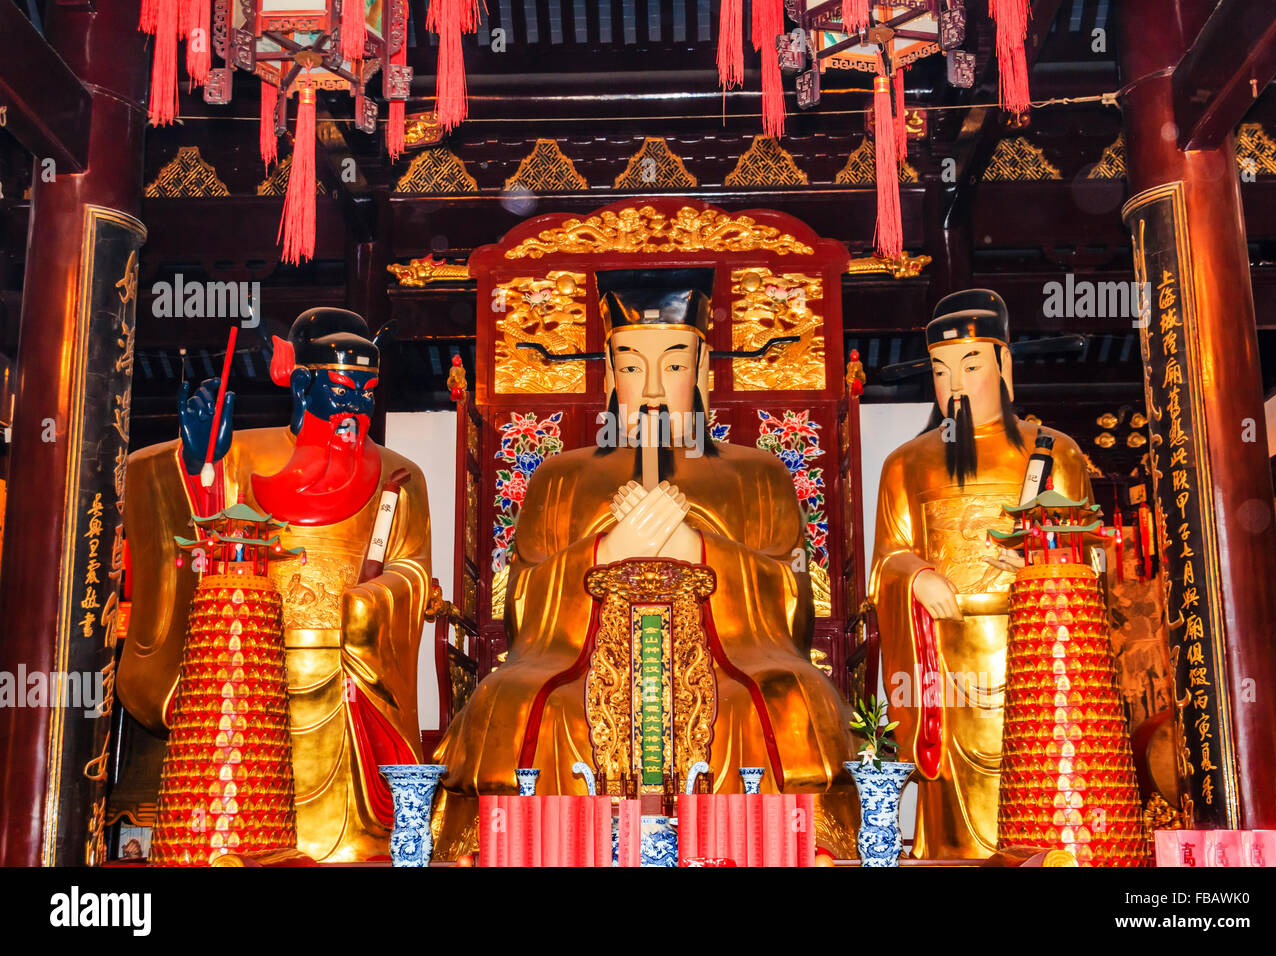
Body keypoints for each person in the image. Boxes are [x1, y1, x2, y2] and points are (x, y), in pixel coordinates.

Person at [431, 269, 859, 857]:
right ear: (608, 375)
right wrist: (606, 550)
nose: (653, 386)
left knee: (785, 697)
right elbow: (522, 606)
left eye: (676, 364)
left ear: (706, 372)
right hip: (574, 665)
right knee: (513, 703)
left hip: (731, 660)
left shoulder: (757, 472)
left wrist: (697, 548)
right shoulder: (561, 475)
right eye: (632, 366)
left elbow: (795, 606)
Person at [117, 308, 432, 862]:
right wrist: (196, 468)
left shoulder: (401, 475)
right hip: (250, 675)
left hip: (349, 678)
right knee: (243, 828)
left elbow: (413, 570)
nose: (356, 404)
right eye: (341, 387)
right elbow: (196, 536)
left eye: (368, 389)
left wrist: (369, 605)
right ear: (302, 382)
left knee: (359, 847)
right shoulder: (239, 452)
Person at [869, 289, 1093, 859]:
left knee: (1040, 791)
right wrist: (917, 575)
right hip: (942, 659)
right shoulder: (905, 463)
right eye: (942, 371)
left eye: (971, 365)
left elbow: (1091, 563)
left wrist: (1042, 568)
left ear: (1004, 365)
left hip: (1033, 656)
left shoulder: (1054, 453)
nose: (956, 384)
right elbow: (885, 563)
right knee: (955, 831)